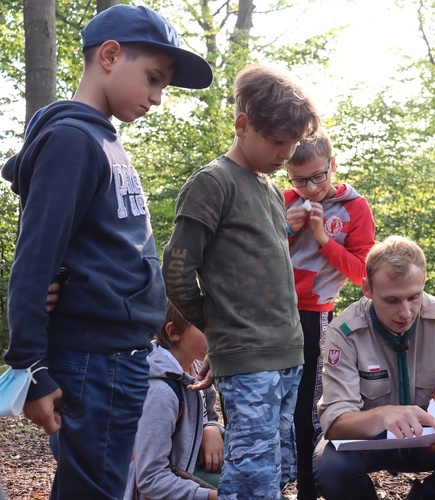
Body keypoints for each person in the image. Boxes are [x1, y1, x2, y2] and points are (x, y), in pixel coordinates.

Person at [1, 5, 212, 498]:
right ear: (111, 55)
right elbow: (35, 258)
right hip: (95, 357)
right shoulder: (73, 140)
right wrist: (30, 366)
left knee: (102, 486)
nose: (158, 98)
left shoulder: (101, 139)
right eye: (154, 79)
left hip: (122, 355)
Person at [161, 63, 319, 499]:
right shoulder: (213, 184)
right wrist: (219, 332)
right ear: (242, 124)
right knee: (251, 480)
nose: (286, 152)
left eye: (292, 142)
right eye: (276, 140)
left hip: (288, 355)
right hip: (248, 360)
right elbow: (175, 271)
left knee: (275, 472)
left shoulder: (268, 188)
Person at [313, 235, 435, 500]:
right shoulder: (345, 331)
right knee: (329, 465)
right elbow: (335, 423)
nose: (405, 312)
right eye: (391, 300)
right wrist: (384, 416)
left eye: (414, 297)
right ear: (367, 289)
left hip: (428, 442)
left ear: (423, 282)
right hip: (369, 442)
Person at [284, 129, 376, 499]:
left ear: (333, 165)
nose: (310, 187)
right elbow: (254, 256)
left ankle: (310, 490)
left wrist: (322, 238)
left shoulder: (355, 208)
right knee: (277, 407)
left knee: (309, 408)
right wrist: (285, 231)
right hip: (272, 313)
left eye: (319, 175)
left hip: (316, 314)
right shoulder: (283, 201)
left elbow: (361, 273)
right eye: (299, 179)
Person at [124, 302, 224, 500]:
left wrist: (210, 428)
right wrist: (214, 496)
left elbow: (207, 415)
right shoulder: (161, 392)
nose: (219, 333)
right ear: (174, 332)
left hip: (186, 474)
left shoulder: (196, 368)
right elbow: (150, 479)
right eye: (205, 325)